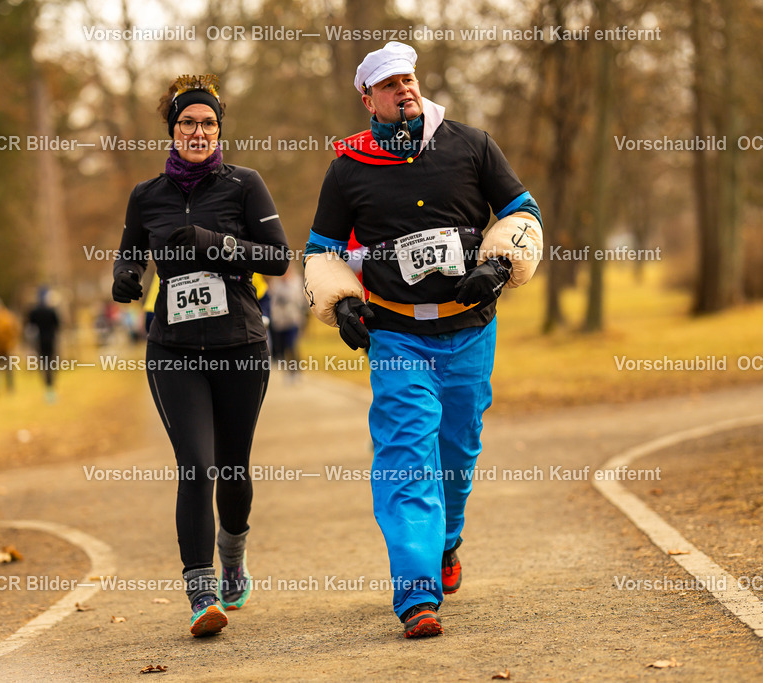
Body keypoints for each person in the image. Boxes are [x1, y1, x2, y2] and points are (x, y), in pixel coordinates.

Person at [302, 42, 544, 638]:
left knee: (458, 451)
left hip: (468, 329)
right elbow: (320, 253)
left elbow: (522, 211)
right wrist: (342, 301)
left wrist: (502, 260)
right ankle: (415, 592)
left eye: (408, 79)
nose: (403, 89)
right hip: (397, 335)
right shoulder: (348, 168)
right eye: (389, 85)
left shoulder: (471, 144)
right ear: (369, 100)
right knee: (407, 456)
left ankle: (447, 542)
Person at [111, 74, 289, 637]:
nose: (198, 131)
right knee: (197, 465)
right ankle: (200, 591)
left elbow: (280, 258)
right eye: (188, 122)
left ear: (219, 131)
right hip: (174, 348)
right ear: (172, 129)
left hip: (240, 344)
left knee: (232, 466)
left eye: (208, 123)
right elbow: (129, 256)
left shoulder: (244, 184)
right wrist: (125, 279)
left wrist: (215, 244)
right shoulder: (147, 196)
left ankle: (233, 556)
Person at [25, 286, 61, 402]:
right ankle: (50, 386)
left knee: (44, 365)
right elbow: (57, 325)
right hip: (50, 340)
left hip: (39, 341)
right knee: (51, 364)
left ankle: (48, 386)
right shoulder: (51, 310)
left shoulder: (34, 311)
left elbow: (29, 325)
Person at [268, 268, 306, 377]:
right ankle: (287, 370)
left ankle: (295, 371)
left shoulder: (296, 281)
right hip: (279, 321)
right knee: (283, 346)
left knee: (292, 345)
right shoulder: (275, 283)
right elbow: (272, 300)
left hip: (293, 319)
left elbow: (299, 299)